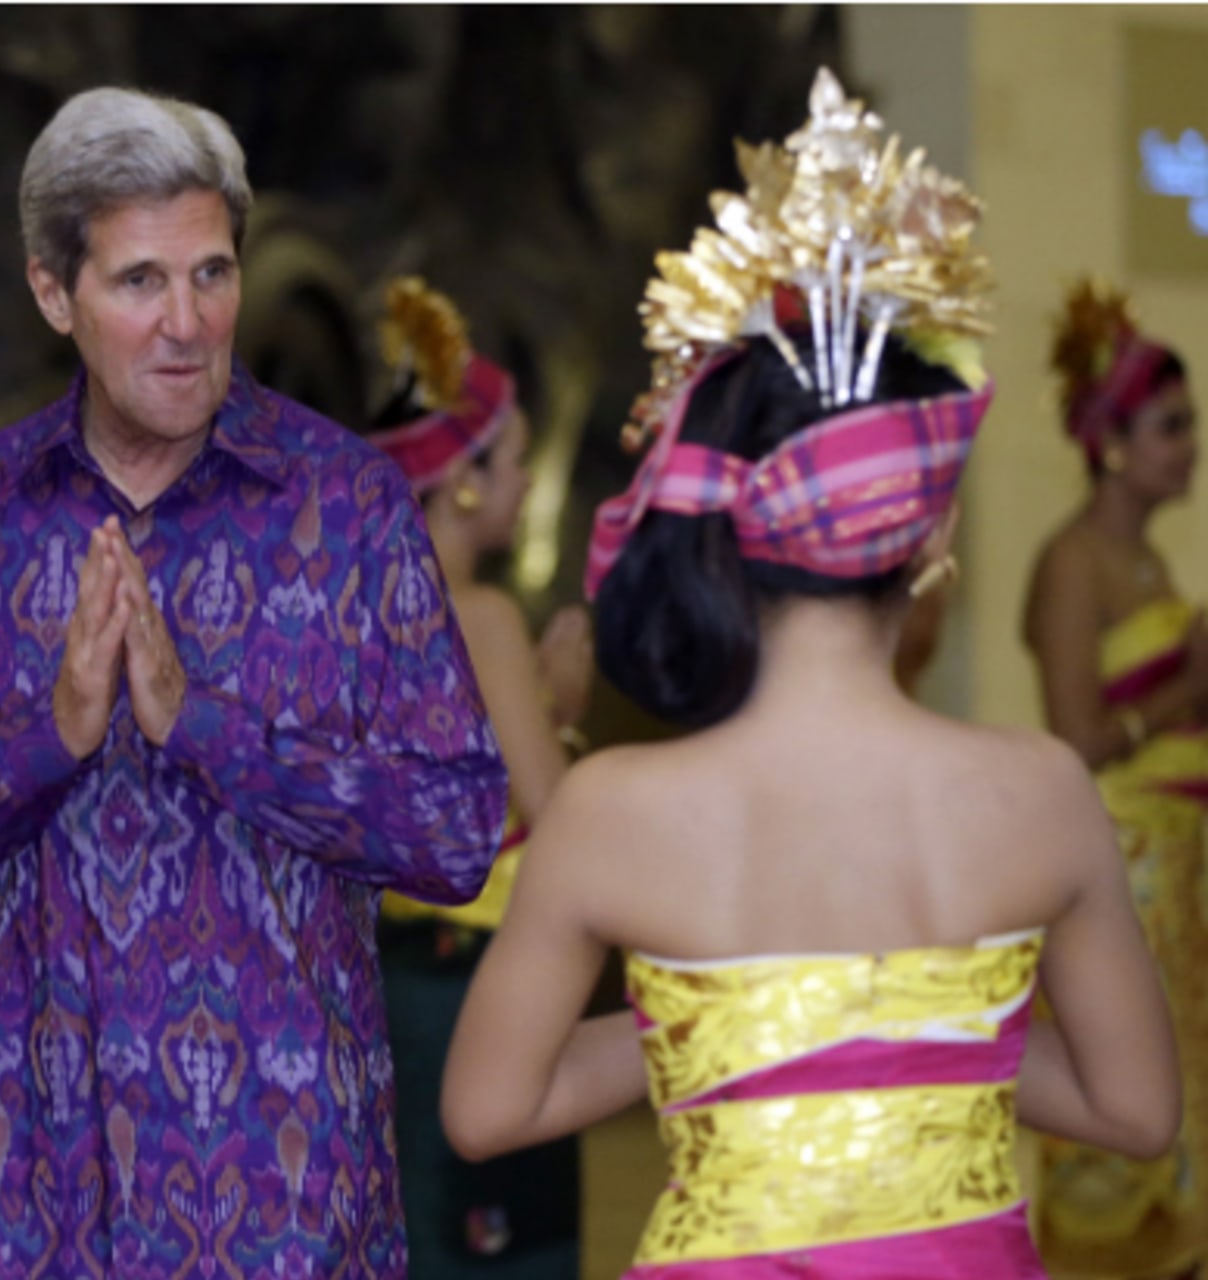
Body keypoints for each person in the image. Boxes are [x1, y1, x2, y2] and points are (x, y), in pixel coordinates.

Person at [442, 70, 1181, 1279]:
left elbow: (487, 1110)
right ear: (930, 538)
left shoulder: (613, 808)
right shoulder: (1041, 792)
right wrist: (921, 1027)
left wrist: (721, 1023)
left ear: (728, 523)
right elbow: (1137, 1110)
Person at [0, 88, 508, 1277]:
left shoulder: (346, 507)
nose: (187, 323)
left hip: (281, 1198)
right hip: (26, 1199)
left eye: (213, 274)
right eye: (140, 281)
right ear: (53, 292)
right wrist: (56, 732)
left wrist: (204, 725)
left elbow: (457, 830)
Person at [362, 277, 590, 1274]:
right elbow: (551, 813)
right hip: (479, 976)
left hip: (387, 977)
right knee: (500, 1232)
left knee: (415, 1216)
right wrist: (563, 721)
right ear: (459, 478)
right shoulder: (484, 614)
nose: (527, 480)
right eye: (513, 458)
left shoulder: (352, 608)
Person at [1023, 277, 1208, 1279]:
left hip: (1178, 870)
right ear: (1115, 441)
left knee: (1180, 1089)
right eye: (1173, 424)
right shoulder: (1074, 561)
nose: (1192, 443)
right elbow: (1073, 737)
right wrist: (1186, 687)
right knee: (1118, 1098)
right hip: (1118, 865)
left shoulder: (1154, 569)